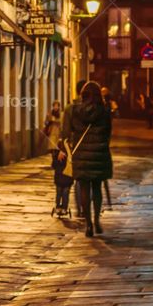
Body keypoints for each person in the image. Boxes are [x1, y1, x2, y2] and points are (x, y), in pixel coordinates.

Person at [59, 80, 113, 237]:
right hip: (99, 154)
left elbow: (66, 133)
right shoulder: (104, 111)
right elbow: (108, 134)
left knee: (84, 188)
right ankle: (97, 221)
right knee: (97, 189)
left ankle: (88, 224)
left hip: (81, 155)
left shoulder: (74, 110)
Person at [42, 101, 69, 214]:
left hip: (59, 135)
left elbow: (63, 124)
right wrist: (49, 122)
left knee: (57, 149)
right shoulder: (50, 113)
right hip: (52, 134)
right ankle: (59, 206)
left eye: (57, 105)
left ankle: (62, 207)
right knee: (53, 150)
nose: (56, 107)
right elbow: (46, 123)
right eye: (54, 105)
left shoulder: (62, 115)